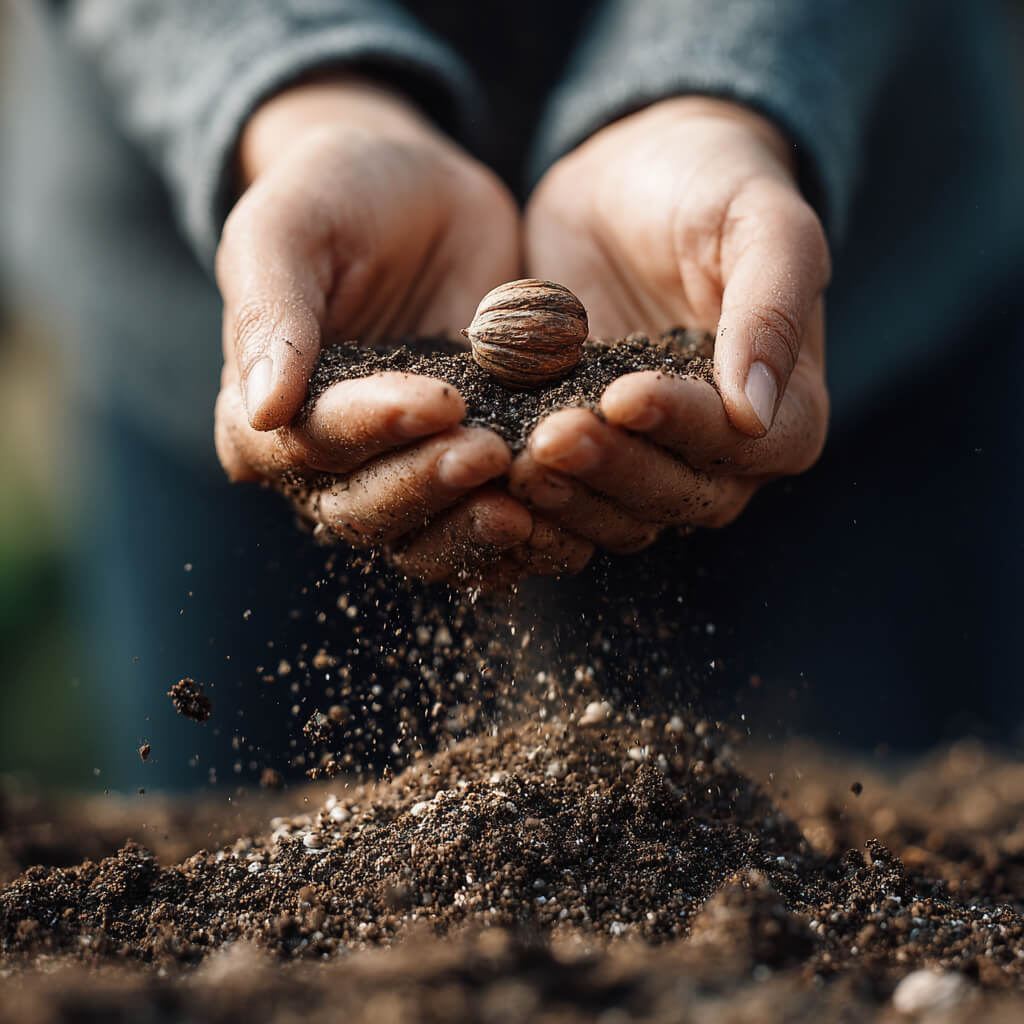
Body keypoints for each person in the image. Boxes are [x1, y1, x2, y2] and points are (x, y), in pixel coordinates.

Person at [3, 1, 1022, 787]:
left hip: (843, 259)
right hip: (242, 281)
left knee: (870, 818)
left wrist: (718, 85)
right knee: (238, 836)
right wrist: (295, 90)